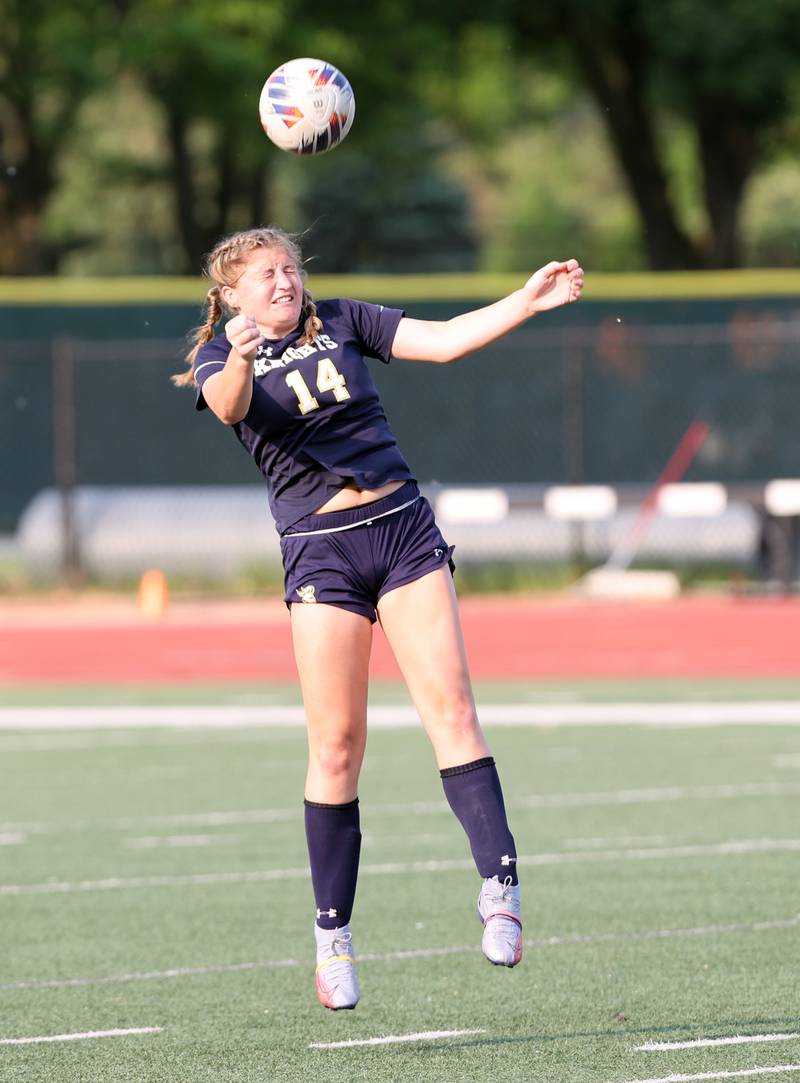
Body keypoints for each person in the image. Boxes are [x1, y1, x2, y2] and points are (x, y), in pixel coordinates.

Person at [174, 227, 584, 1011]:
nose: (285, 280)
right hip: (321, 553)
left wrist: (527, 301)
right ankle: (333, 938)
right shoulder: (220, 358)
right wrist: (239, 352)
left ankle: (500, 890)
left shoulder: (346, 321)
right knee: (335, 746)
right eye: (265, 274)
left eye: (290, 267)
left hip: (401, 529)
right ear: (230, 293)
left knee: (454, 710)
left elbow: (447, 341)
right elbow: (226, 405)